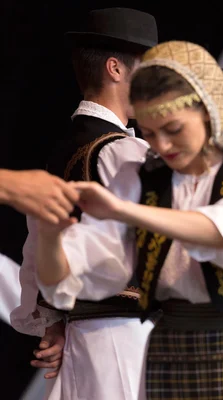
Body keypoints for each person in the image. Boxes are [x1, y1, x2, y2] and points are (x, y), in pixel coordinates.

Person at [34, 40, 223, 400]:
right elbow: (78, 269)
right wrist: (48, 231)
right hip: (171, 350)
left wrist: (127, 212)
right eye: (150, 133)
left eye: (173, 129)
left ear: (207, 109)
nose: (162, 146)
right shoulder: (138, 179)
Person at [10, 8, 157, 400]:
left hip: (85, 341)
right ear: (116, 68)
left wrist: (54, 321)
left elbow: (35, 253)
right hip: (129, 342)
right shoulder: (125, 152)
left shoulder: (62, 152)